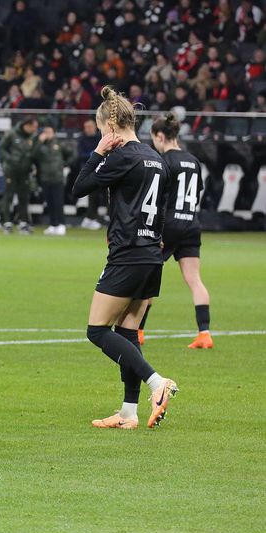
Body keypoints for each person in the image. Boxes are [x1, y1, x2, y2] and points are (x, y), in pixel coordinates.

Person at [71, 86, 178, 431]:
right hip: (152, 254)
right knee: (128, 332)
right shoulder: (156, 159)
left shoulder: (121, 157)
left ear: (110, 127)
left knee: (97, 330)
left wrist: (97, 153)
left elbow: (79, 188)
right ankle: (128, 413)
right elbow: (162, 211)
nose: (101, 136)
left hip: (127, 254)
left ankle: (157, 382)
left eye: (101, 131)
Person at [139, 113, 213, 349]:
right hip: (191, 223)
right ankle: (204, 334)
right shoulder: (194, 161)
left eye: (154, 139)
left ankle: (138, 331)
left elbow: (157, 198)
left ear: (160, 136)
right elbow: (196, 194)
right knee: (195, 280)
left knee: (146, 277)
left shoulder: (164, 161)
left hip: (168, 225)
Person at [0, 116, 38, 235]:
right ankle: (7, 222)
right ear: (27, 125)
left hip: (25, 171)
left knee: (24, 197)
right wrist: (10, 160)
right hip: (11, 170)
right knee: (9, 196)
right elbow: (1, 147)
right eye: (33, 127)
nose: (35, 129)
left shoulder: (33, 137)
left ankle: (23, 223)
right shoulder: (12, 134)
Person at [33, 126, 74, 236]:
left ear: (54, 133)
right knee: (49, 202)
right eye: (45, 132)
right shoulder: (40, 145)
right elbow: (33, 154)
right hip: (45, 177)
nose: (47, 134)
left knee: (58, 202)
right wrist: (39, 142)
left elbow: (72, 154)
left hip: (57, 177)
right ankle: (53, 224)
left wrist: (64, 164)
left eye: (49, 132)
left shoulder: (59, 144)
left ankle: (62, 224)